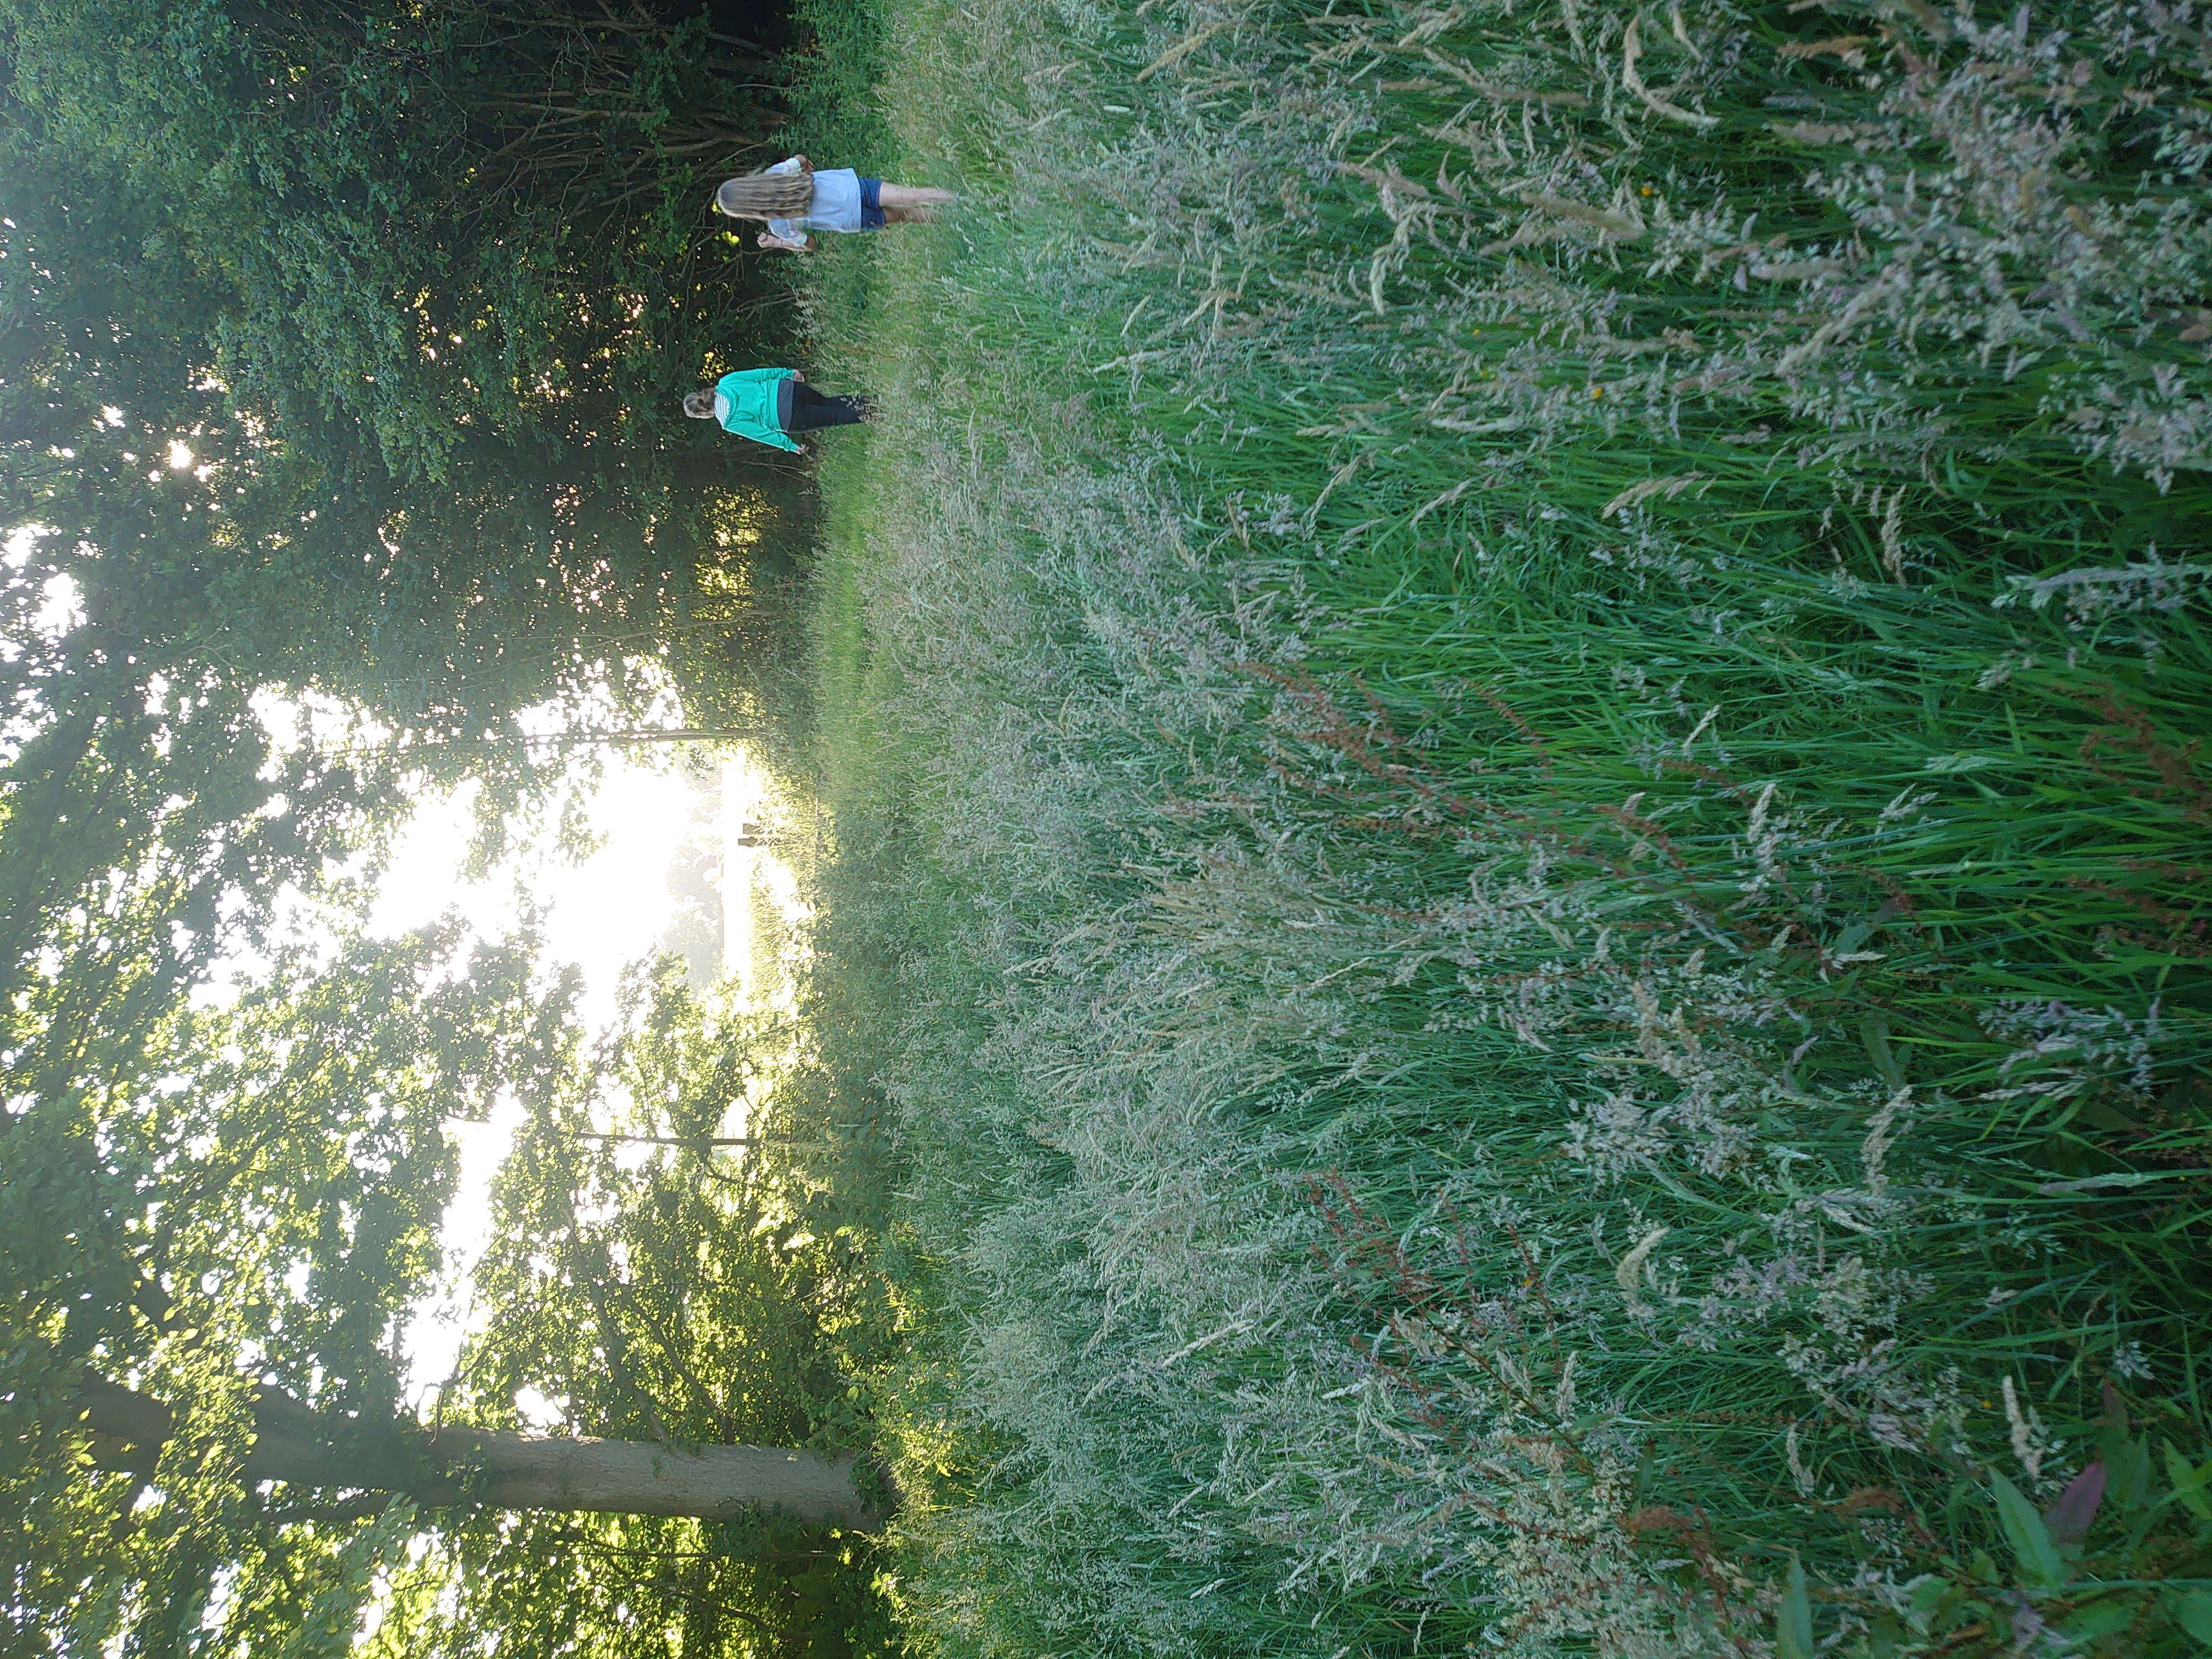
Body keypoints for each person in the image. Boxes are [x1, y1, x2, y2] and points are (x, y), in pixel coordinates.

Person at [714, 155, 953, 252]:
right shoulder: (775, 174)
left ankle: (956, 220)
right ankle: (963, 201)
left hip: (851, 219)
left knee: (905, 215)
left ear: (746, 211)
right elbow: (799, 160)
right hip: (850, 188)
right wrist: (806, 166)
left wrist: (777, 242)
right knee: (912, 195)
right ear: (747, 183)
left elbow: (810, 244)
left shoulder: (779, 226)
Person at [682, 368, 872, 453]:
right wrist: (788, 373)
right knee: (828, 403)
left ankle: (875, 414)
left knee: (835, 417)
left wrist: (790, 446)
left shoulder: (729, 422)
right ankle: (874, 402)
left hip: (788, 417)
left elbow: (761, 434)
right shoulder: (726, 382)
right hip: (787, 389)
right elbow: (760, 374)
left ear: (702, 414)